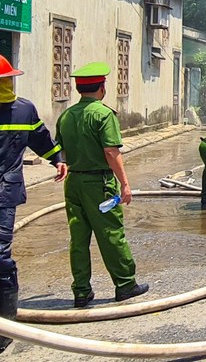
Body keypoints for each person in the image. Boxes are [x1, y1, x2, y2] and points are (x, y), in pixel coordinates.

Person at [55, 62, 148, 308]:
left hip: (74, 182)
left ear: (78, 88)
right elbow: (110, 151)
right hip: (100, 184)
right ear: (102, 87)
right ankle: (126, 284)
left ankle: (82, 291)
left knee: (78, 238)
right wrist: (125, 184)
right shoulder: (104, 114)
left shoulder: (66, 116)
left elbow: (61, 151)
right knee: (111, 233)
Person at [0, 55, 66, 352]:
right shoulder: (22, 108)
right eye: (5, 81)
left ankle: (4, 324)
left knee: (0, 256)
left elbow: (40, 137)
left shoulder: (23, 109)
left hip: (4, 192)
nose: (8, 85)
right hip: (6, 191)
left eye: (8, 80)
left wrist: (57, 158)